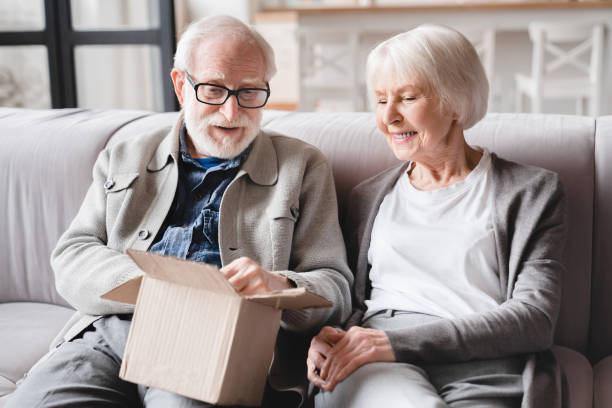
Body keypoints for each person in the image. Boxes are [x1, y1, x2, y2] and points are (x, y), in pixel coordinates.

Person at [6, 15, 352, 408]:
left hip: (214, 339)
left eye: (249, 92)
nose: (230, 112)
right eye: (213, 90)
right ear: (180, 85)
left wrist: (278, 285)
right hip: (110, 329)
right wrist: (158, 283)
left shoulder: (301, 166)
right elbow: (72, 256)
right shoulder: (124, 156)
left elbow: (335, 286)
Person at [307, 24, 567, 408]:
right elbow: (348, 301)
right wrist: (329, 336)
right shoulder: (366, 198)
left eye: (408, 98)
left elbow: (535, 318)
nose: (390, 117)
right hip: (375, 364)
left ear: (456, 103)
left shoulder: (531, 192)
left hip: (485, 366)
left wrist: (393, 342)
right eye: (381, 100)